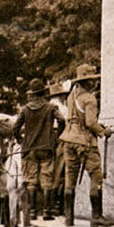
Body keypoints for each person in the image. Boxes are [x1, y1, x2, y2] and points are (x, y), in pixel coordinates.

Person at [59, 64, 114, 227]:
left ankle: (69, 219)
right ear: (86, 81)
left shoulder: (71, 96)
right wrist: (104, 132)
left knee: (70, 178)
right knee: (96, 176)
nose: (94, 83)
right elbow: (90, 122)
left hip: (68, 140)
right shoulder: (89, 98)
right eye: (91, 80)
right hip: (84, 142)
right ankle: (96, 217)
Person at [13, 78, 65, 221]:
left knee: (31, 181)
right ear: (43, 93)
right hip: (46, 148)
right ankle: (47, 211)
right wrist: (57, 137)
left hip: (29, 150)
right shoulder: (51, 107)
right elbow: (62, 120)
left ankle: (32, 212)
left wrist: (20, 140)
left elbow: (15, 127)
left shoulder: (25, 109)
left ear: (33, 94)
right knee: (47, 179)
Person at [48, 83, 70, 216]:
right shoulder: (62, 108)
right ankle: (57, 204)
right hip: (59, 140)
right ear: (60, 95)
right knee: (60, 171)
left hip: (47, 142)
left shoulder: (46, 106)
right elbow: (64, 123)